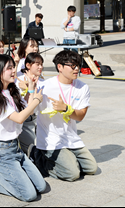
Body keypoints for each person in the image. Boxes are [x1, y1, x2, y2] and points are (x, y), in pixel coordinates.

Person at [0, 54, 46, 202]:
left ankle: (9, 174)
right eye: (9, 68)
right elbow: (19, 118)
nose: (13, 71)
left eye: (13, 67)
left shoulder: (12, 90)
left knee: (41, 187)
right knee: (29, 195)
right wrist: (36, 101)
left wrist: (30, 89)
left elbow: (25, 108)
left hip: (16, 149)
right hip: (2, 152)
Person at [29, 50, 98, 182]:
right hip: (51, 140)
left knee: (92, 168)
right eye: (72, 66)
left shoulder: (83, 87)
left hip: (71, 138)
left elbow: (80, 116)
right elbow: (30, 110)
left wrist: (66, 109)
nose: (77, 69)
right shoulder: (45, 86)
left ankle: (67, 158)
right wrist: (30, 90)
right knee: (72, 174)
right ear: (59, 67)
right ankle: (38, 157)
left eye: (78, 65)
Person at [16, 53, 45, 155]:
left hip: (39, 118)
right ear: (28, 65)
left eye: (41, 64)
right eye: (37, 64)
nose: (40, 67)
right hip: (24, 120)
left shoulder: (42, 82)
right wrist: (29, 89)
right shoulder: (18, 80)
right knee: (28, 150)